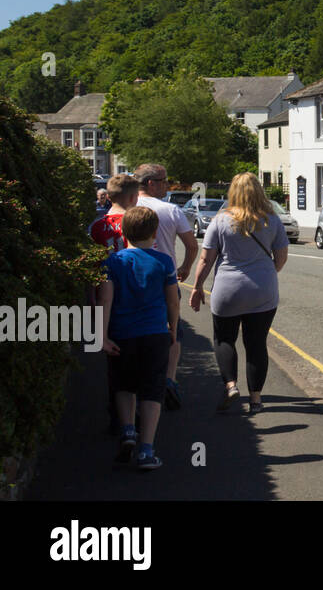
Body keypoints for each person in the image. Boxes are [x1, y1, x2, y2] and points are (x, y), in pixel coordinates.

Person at [189, 173, 288, 414]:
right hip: (262, 290)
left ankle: (231, 386)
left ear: (233, 192)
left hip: (227, 289)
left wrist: (197, 287)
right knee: (256, 344)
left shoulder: (220, 221)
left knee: (224, 339)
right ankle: (255, 400)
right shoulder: (272, 220)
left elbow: (206, 259)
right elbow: (281, 258)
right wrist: (263, 274)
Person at [99, 206, 179, 471]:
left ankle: (128, 431)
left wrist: (102, 335)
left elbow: (105, 300)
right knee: (152, 389)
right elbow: (172, 302)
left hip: (122, 334)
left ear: (123, 231)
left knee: (123, 385)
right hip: (155, 333)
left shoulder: (113, 262)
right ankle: (146, 450)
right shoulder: (164, 262)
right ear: (155, 231)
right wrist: (174, 328)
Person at [134, 164, 199, 410]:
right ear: (151, 183)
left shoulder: (128, 207)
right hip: (165, 281)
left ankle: (140, 382)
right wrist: (184, 268)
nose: (167, 185)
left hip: (130, 277)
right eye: (163, 181)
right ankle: (169, 380)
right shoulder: (171, 210)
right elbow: (192, 246)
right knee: (173, 331)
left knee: (136, 329)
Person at [90, 173, 141, 434]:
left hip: (107, 297)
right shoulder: (138, 224)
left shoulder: (98, 227)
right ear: (134, 196)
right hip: (137, 296)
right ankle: (139, 415)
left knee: (114, 363)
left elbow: (91, 268)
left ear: (107, 196)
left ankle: (117, 417)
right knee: (141, 359)